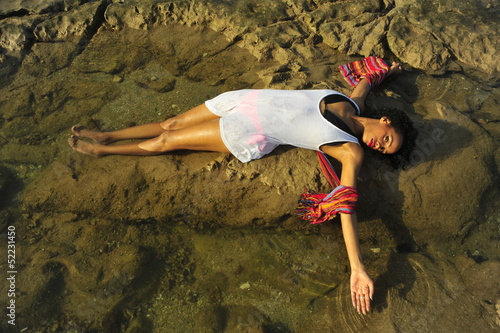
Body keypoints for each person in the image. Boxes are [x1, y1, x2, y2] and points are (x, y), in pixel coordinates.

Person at [69, 57, 416, 315]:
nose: (379, 147)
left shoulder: (351, 151)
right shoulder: (354, 102)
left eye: (385, 150)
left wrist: (358, 267)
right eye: (387, 140)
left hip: (248, 129)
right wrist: (391, 70)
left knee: (168, 141)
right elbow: (368, 79)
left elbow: (345, 204)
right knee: (169, 123)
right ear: (385, 120)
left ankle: (102, 151)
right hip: (248, 98)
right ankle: (107, 134)